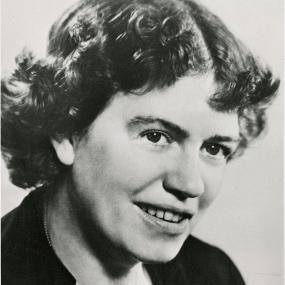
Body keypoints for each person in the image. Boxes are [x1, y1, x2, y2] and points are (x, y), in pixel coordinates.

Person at [1, 0, 280, 284]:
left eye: (214, 148)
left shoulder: (213, 274)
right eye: (156, 136)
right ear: (65, 130)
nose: (190, 184)